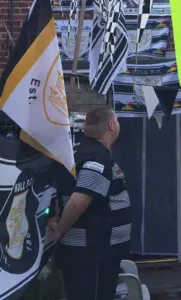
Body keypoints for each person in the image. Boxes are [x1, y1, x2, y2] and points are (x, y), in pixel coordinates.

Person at [48, 107, 131, 300]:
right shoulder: (97, 159)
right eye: (117, 120)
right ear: (111, 125)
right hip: (92, 256)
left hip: (91, 254)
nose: (118, 124)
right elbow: (78, 201)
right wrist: (60, 229)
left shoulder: (80, 152)